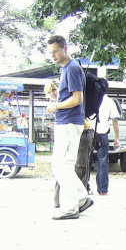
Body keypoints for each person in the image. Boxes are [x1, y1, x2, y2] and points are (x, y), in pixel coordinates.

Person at [46, 35, 91, 220]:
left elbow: (77, 99)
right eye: (51, 52)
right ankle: (80, 197)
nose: (53, 55)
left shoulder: (72, 69)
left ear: (65, 48)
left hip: (69, 123)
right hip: (65, 122)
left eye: (56, 51)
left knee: (63, 165)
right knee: (59, 165)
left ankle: (71, 207)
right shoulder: (66, 69)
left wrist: (56, 105)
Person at [46, 80, 95, 209]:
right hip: (72, 134)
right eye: (50, 92)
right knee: (61, 167)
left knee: (78, 167)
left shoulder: (68, 101)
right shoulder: (58, 104)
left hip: (82, 134)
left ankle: (80, 199)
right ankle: (60, 200)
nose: (52, 94)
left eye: (54, 90)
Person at [91, 94, 120, 195]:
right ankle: (102, 190)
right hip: (103, 135)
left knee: (85, 162)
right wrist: (117, 137)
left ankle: (84, 187)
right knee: (102, 161)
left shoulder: (89, 97)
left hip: (89, 133)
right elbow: (115, 120)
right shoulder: (109, 101)